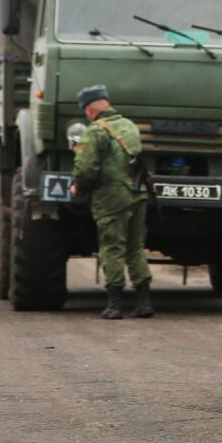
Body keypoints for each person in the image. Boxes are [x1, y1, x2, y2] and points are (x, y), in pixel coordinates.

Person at [70, 85, 152, 319]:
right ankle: (144, 302)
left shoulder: (94, 132)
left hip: (111, 198)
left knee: (112, 248)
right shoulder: (130, 126)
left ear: (89, 109)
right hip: (137, 194)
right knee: (135, 248)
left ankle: (114, 305)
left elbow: (87, 168)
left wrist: (77, 186)